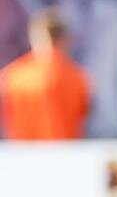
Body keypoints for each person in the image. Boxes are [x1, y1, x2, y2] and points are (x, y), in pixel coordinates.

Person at [0, 8, 91, 140]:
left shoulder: (13, 76)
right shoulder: (77, 76)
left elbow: (7, 117)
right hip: (66, 154)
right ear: (64, 39)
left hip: (23, 155)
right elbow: (81, 115)